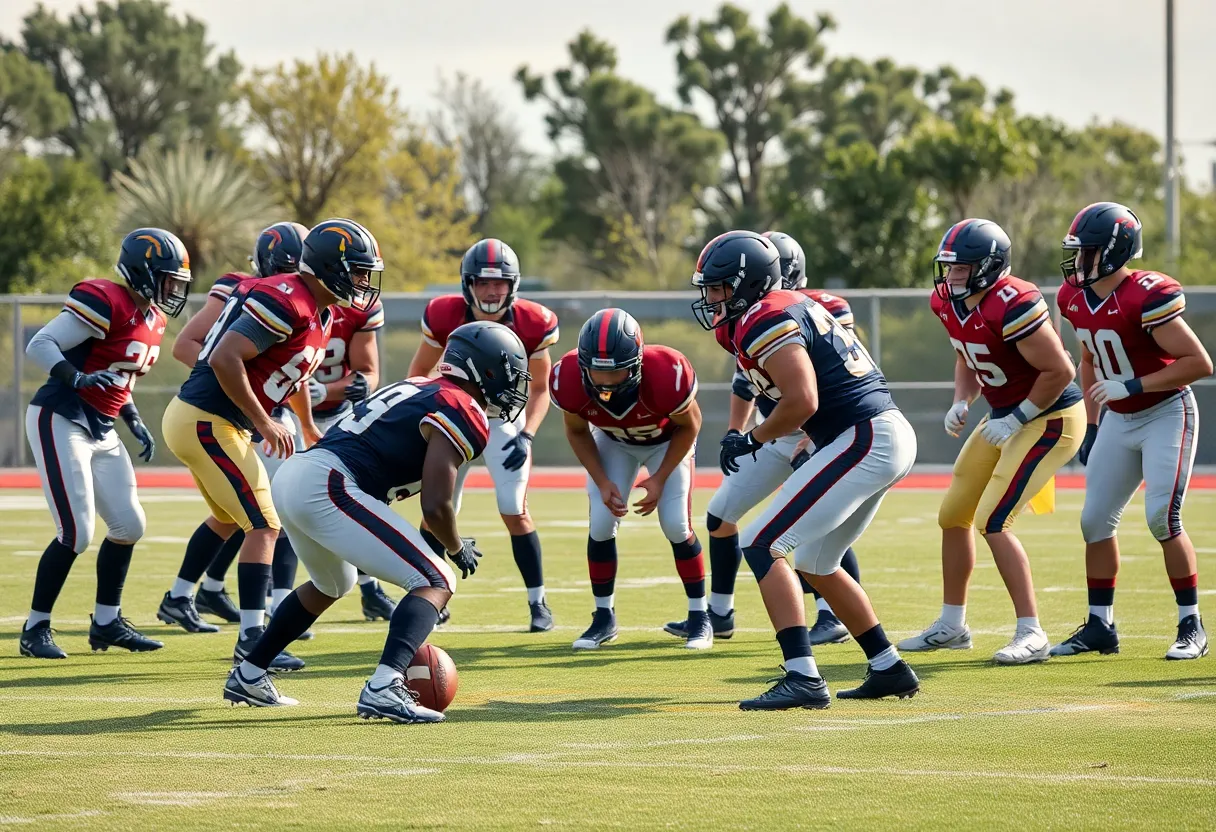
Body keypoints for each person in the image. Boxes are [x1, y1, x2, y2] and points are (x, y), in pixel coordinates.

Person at [223, 321, 529, 723]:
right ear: (486, 370)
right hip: (327, 483)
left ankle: (249, 672)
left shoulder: (422, 385)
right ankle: (384, 685)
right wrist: (455, 547)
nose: (512, 386)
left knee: (332, 583)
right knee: (437, 580)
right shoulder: (462, 406)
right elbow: (437, 506)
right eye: (508, 374)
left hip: (299, 474)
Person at [693, 230, 919, 708]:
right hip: (874, 433)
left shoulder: (766, 316)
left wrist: (751, 437)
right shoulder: (783, 306)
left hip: (863, 435)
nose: (711, 298)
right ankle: (888, 666)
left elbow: (802, 400)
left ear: (748, 284)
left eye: (719, 288)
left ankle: (803, 677)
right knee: (816, 563)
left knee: (759, 542)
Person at [161, 218, 382, 671]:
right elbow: (224, 356)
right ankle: (252, 637)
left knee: (233, 517)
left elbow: (292, 373)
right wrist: (264, 421)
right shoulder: (290, 300)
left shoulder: (317, 311)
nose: (363, 282)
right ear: (328, 266)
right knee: (264, 524)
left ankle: (188, 597)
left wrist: (308, 427)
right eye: (357, 271)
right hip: (208, 419)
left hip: (217, 423)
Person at [899, 219, 1084, 664]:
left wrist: (1019, 415)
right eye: (949, 267)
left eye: (962, 268)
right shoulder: (946, 300)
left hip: (1051, 417)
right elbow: (965, 352)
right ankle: (952, 624)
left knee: (994, 520)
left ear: (989, 266)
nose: (952, 276)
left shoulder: (1014, 302)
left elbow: (1060, 371)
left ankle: (1032, 632)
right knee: (952, 515)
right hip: (1004, 415)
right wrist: (962, 399)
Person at [675, 229, 863, 647]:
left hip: (820, 432)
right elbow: (748, 383)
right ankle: (720, 612)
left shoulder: (815, 309)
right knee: (721, 514)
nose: (715, 298)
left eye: (723, 287)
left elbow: (838, 379)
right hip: (773, 431)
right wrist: (736, 432)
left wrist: (812, 439)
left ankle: (829, 617)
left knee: (814, 525)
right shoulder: (741, 322)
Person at [20, 228, 191, 659]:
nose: (173, 289)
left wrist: (132, 418)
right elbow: (40, 344)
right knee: (76, 532)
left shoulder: (153, 318)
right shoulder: (105, 298)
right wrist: (75, 378)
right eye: (167, 279)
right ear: (143, 272)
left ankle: (107, 622)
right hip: (61, 414)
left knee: (130, 526)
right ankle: (35, 628)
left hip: (102, 424)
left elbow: (119, 374)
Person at [1052, 202, 1212, 660]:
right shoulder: (1072, 297)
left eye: (1088, 252)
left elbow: (1198, 363)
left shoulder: (1145, 295)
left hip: (1166, 411)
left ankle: (1191, 624)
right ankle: (1100, 625)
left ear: (1115, 252)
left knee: (1163, 517)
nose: (1078, 261)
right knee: (1094, 521)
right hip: (1119, 419)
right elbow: (1088, 360)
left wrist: (1134, 384)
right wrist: (1093, 424)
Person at [406, 238, 558, 632]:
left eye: (501, 284)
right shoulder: (442, 314)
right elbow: (418, 376)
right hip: (453, 418)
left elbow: (541, 389)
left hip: (503, 418)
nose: (493, 291)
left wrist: (527, 434)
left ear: (514, 285)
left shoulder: (532, 322)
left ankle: (538, 601)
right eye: (484, 283)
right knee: (437, 510)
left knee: (513, 508)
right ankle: (431, 596)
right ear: (467, 284)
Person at [550, 309, 709, 650]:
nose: (605, 383)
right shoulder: (568, 378)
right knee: (601, 524)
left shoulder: (667, 372)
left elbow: (690, 425)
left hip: (667, 443)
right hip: (614, 443)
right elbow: (577, 432)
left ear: (636, 363)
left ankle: (700, 616)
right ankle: (603, 617)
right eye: (597, 372)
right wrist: (602, 480)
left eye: (616, 372)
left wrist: (661, 477)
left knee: (676, 525)